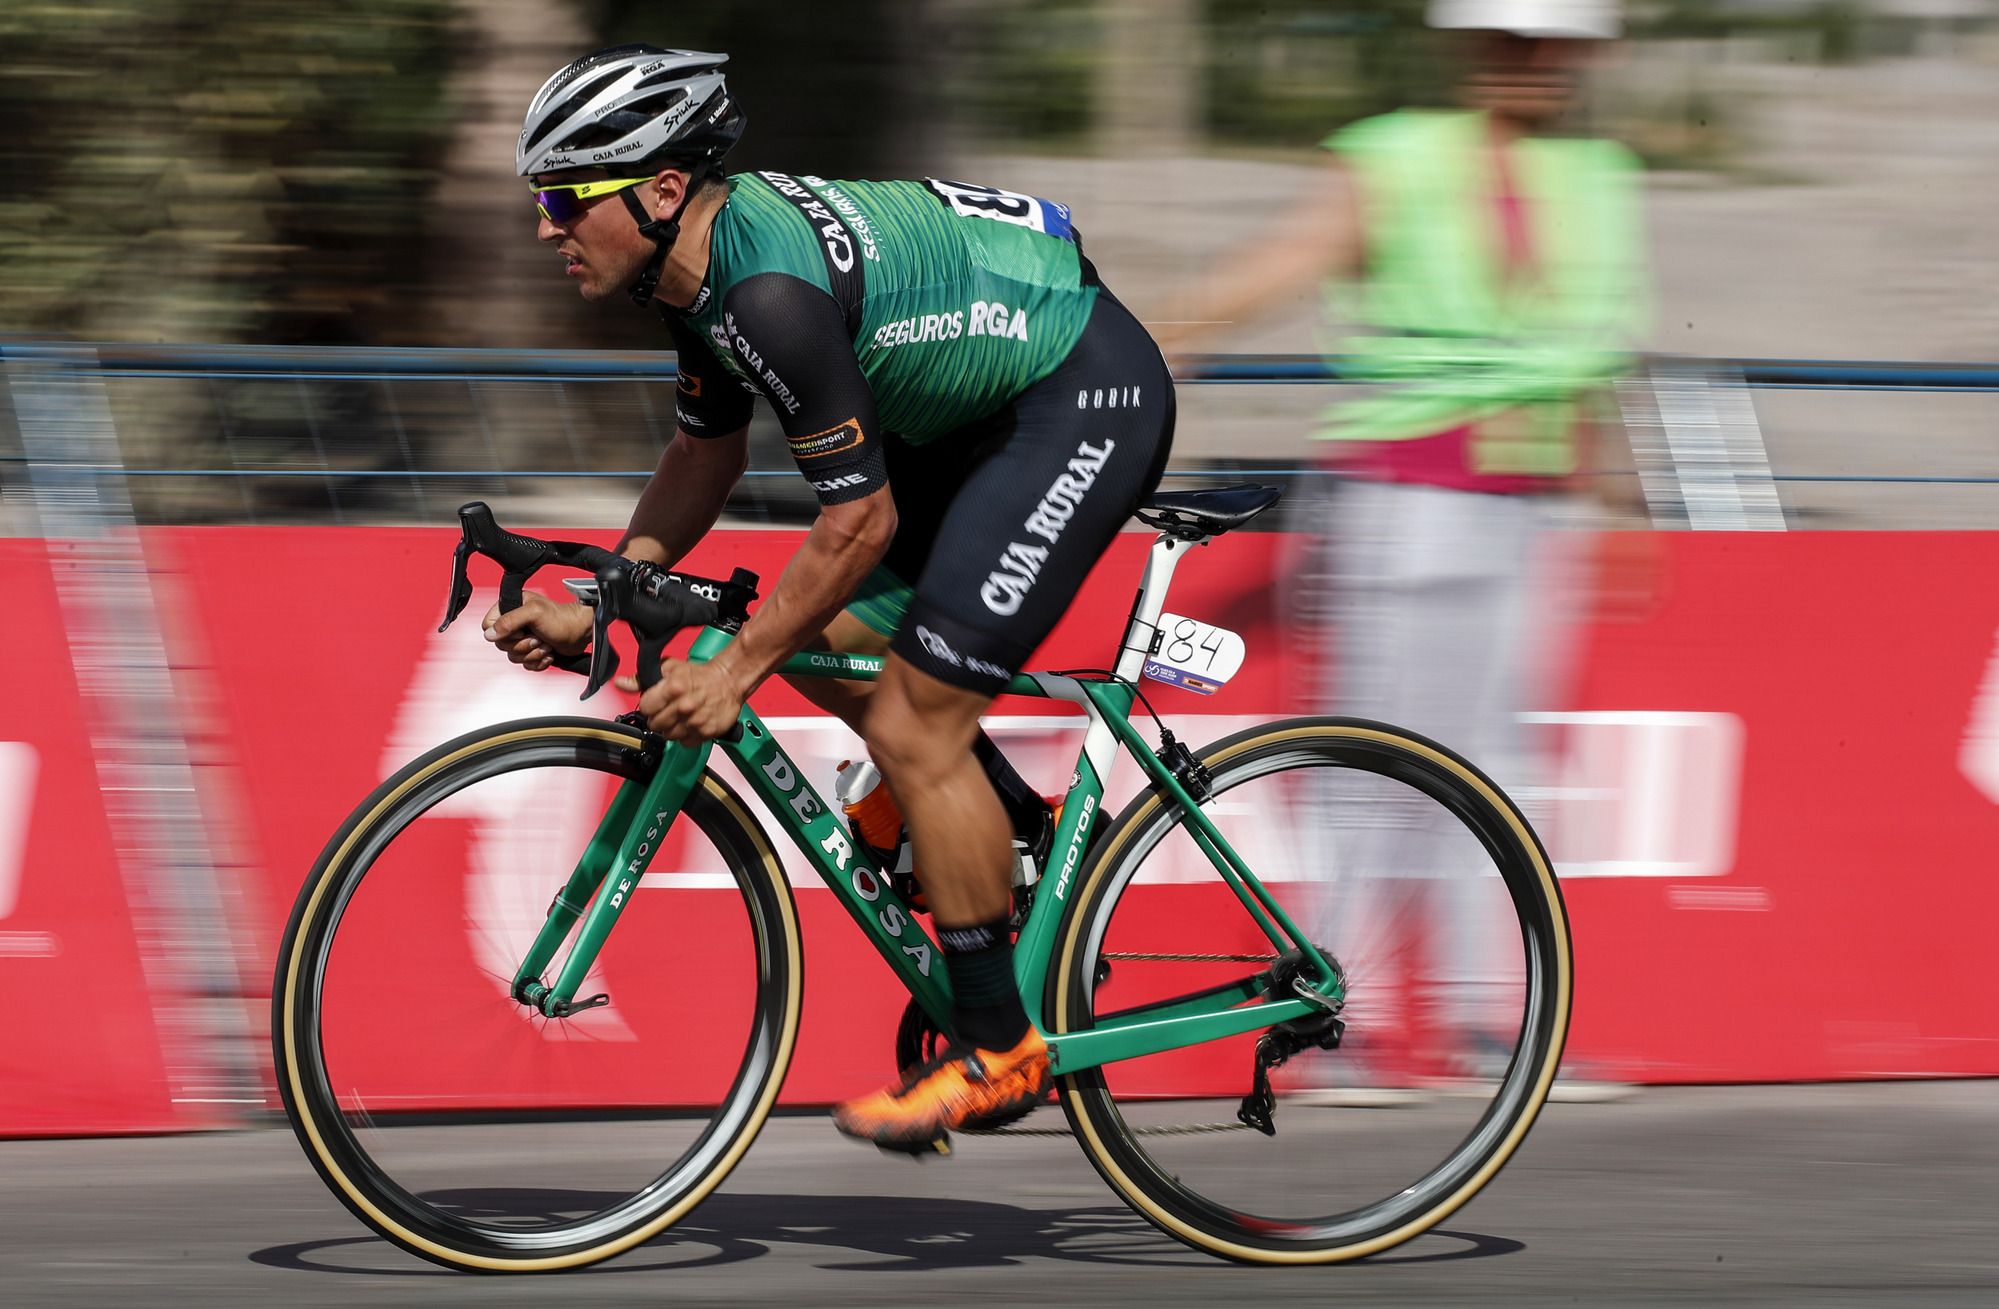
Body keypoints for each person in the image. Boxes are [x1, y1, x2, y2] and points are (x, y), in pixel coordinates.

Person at [482, 45, 1176, 1151]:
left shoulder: (764, 294)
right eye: (539, 198)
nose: (545, 225)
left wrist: (730, 671)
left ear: (663, 191)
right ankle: (993, 825)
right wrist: (606, 603)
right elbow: (704, 456)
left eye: (567, 197)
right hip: (967, 413)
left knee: (907, 716)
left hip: (1075, 397)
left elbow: (859, 523)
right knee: (815, 635)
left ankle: (999, 1052)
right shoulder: (691, 274)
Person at [1156, 0, 1648, 1095]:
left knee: (1504, 768)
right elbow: (1288, 260)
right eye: (1510, 44)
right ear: (1470, 49)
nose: (1530, 65)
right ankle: (1342, 1025)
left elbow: (1596, 356)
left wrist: (1610, 497)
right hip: (1403, 492)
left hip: (1533, 504)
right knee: (1374, 766)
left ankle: (1484, 1028)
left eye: (1549, 47)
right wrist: (1165, 341)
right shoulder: (1395, 158)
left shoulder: (1598, 177)